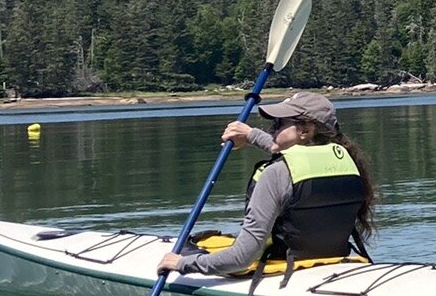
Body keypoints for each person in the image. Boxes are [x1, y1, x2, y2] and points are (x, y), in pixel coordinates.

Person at [159, 90, 377, 282]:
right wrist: (251, 135)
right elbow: (290, 155)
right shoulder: (347, 160)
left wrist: (182, 264)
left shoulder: (275, 174)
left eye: (279, 124)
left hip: (281, 266)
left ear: (305, 130)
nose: (272, 129)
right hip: (335, 260)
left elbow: (242, 258)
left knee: (191, 248)